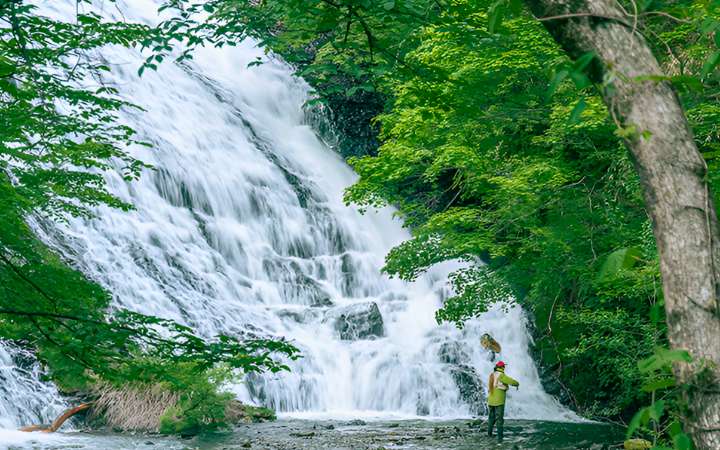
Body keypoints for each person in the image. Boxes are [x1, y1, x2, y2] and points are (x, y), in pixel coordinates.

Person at [487, 360, 519, 441]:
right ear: (502, 367)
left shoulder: (492, 375)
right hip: (499, 401)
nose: (504, 367)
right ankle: (500, 438)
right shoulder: (501, 375)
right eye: (504, 366)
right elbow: (511, 381)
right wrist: (517, 384)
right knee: (499, 419)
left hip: (490, 400)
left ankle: (489, 434)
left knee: (491, 418)